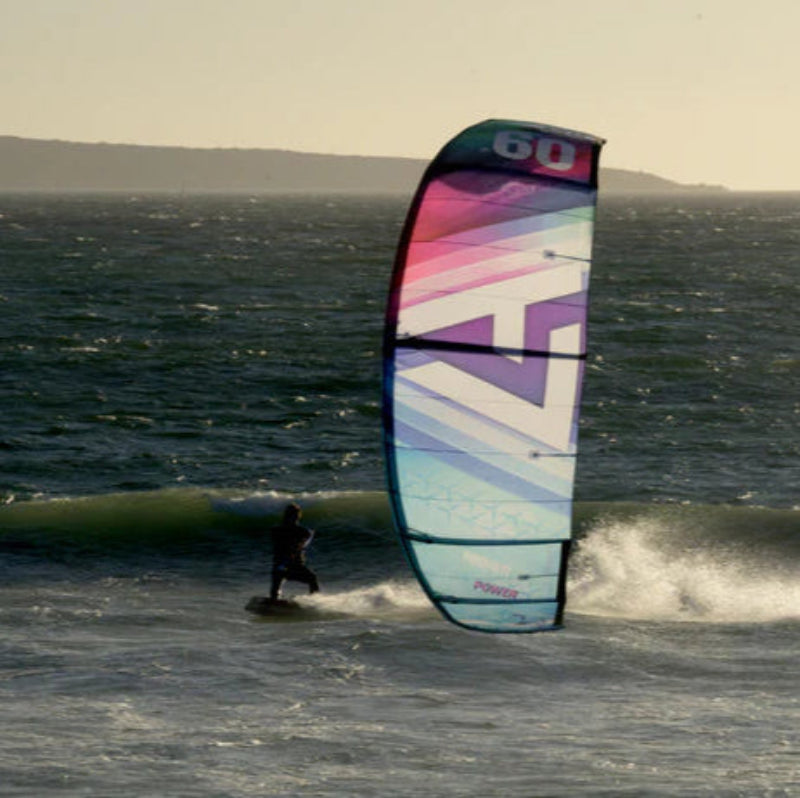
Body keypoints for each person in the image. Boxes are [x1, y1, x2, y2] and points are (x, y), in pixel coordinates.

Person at [269, 502, 319, 601]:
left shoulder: (302, 531)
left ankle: (314, 602)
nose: (294, 518)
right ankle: (274, 600)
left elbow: (303, 543)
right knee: (278, 580)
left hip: (294, 566)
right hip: (283, 565)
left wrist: (307, 536)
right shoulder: (278, 530)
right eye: (292, 516)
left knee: (312, 578)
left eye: (295, 516)